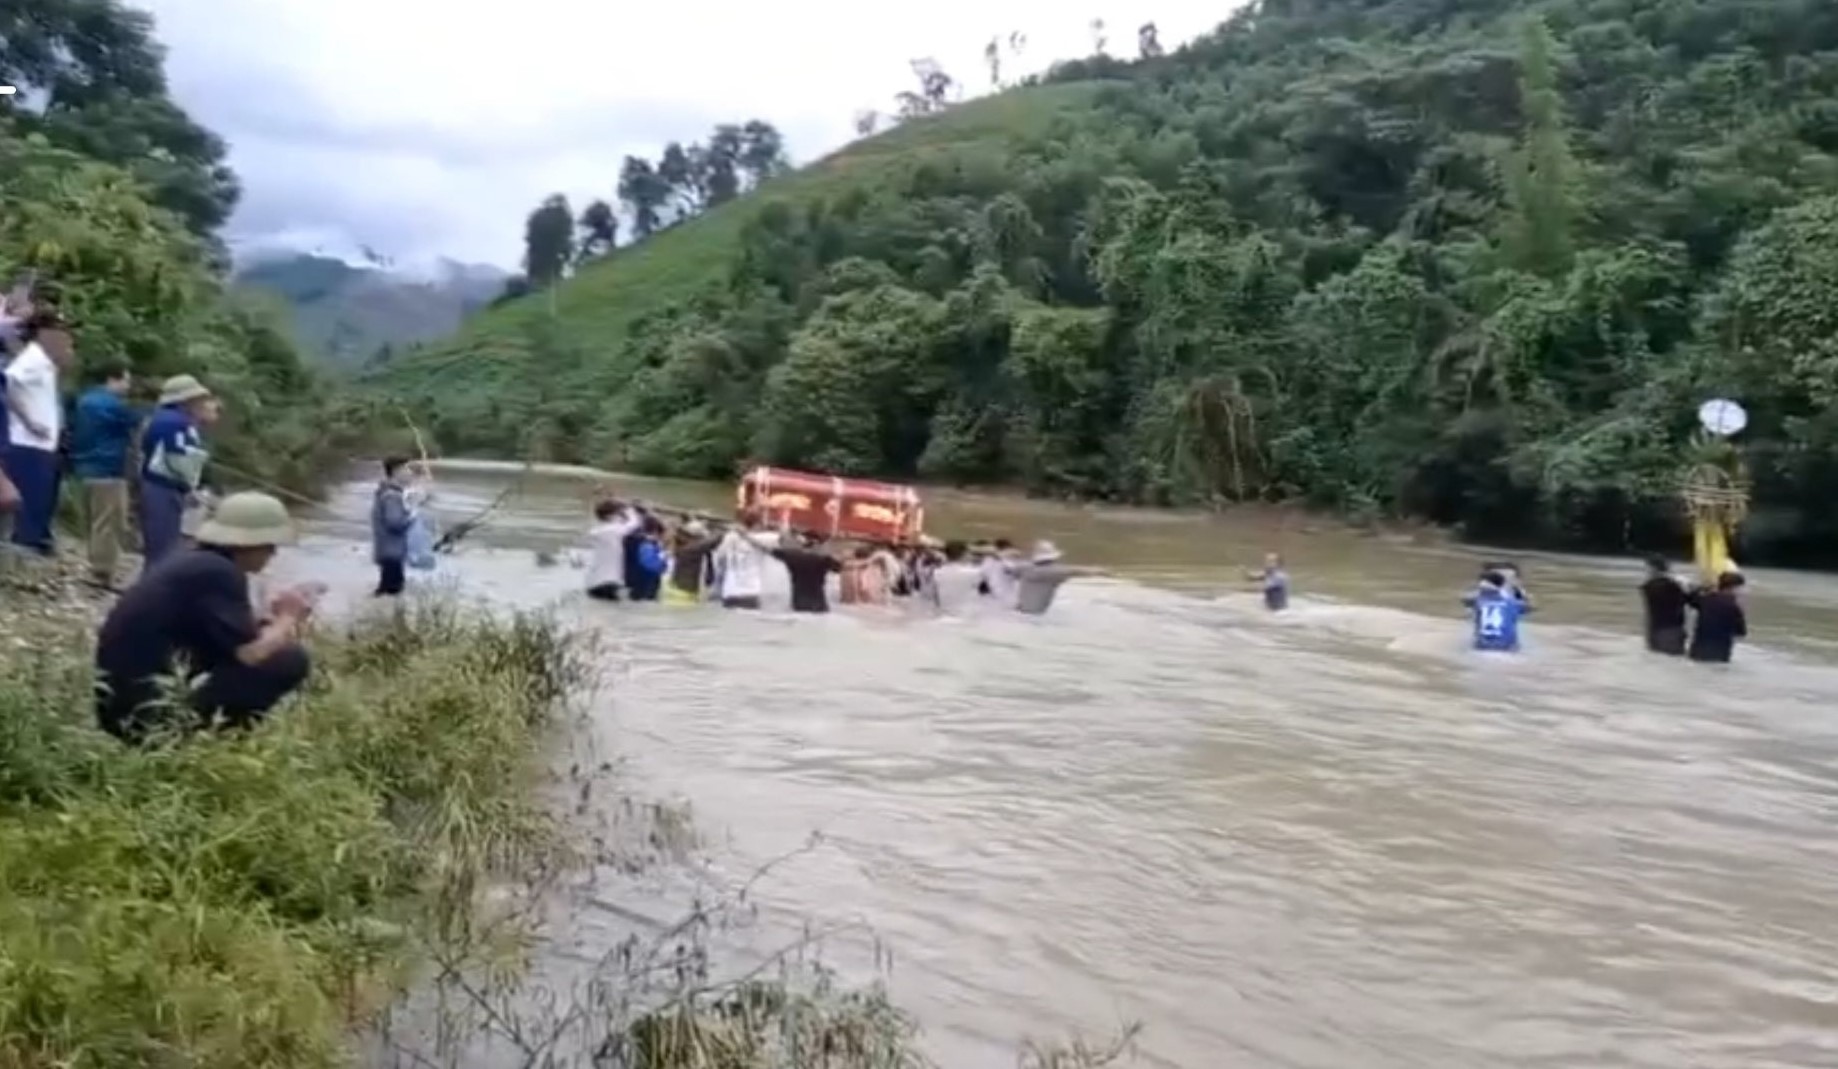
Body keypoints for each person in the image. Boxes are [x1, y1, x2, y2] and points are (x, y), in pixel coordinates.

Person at [93, 491, 318, 744]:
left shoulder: (193, 561)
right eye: (269, 546)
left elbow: (223, 635)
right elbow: (250, 654)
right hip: (148, 717)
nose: (273, 554)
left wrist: (268, 618)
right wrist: (289, 617)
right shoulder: (220, 573)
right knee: (289, 659)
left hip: (118, 710)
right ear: (248, 544)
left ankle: (195, 733)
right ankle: (200, 739)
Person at [3, 311, 74, 555]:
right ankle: (22, 541)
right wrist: (29, 421)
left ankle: (32, 539)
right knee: (30, 493)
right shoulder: (32, 358)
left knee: (41, 494)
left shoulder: (44, 360)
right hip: (27, 440)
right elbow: (9, 384)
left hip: (42, 443)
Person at [69, 360, 143, 587]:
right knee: (110, 522)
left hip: (83, 467)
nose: (128, 386)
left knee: (94, 520)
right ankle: (102, 572)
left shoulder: (83, 400)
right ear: (113, 379)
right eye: (126, 380)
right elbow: (137, 421)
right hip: (108, 468)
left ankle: (95, 563)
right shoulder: (113, 406)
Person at [139, 374, 218, 566]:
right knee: (163, 547)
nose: (202, 402)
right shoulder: (174, 422)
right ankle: (155, 591)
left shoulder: (168, 419)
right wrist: (193, 485)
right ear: (187, 399)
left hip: (162, 486)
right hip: (162, 488)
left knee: (163, 544)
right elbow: (178, 459)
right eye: (199, 398)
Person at [1009, 540, 1104, 616]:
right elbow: (1078, 571)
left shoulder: (1024, 568)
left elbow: (1008, 569)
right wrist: (1100, 571)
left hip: (1017, 612)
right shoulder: (1054, 572)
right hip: (1034, 617)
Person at [710, 509, 778, 610]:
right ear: (759, 523)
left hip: (731, 592)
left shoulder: (730, 537)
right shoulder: (769, 538)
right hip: (754, 592)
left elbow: (720, 560)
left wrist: (716, 587)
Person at [371, 456, 415, 597]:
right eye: (407, 468)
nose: (411, 473)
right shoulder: (392, 496)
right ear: (397, 471)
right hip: (393, 553)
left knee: (385, 594)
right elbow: (395, 523)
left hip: (387, 551)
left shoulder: (385, 492)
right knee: (392, 594)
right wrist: (413, 515)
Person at [584, 499, 641, 601]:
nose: (621, 517)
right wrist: (630, 510)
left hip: (593, 582)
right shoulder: (613, 530)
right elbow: (634, 523)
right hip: (608, 582)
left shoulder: (597, 531)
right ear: (610, 516)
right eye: (619, 514)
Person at [1686, 570, 1748, 664]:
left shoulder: (1705, 600)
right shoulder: (1734, 607)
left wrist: (1703, 588)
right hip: (1719, 654)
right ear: (1734, 587)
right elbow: (1741, 633)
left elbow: (1689, 598)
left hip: (1697, 651)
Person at [773, 532, 842, 613]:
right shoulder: (824, 560)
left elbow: (770, 551)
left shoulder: (793, 557)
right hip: (819, 607)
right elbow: (839, 568)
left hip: (799, 606)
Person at [1463, 570, 1529, 653]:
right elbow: (1528, 607)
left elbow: (1466, 600)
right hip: (1507, 648)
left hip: (1481, 647)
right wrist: (1520, 590)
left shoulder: (1476, 601)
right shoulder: (1513, 602)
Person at [1639, 554, 1689, 656]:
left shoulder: (1650, 587)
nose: (1646, 572)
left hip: (1658, 633)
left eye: (1647, 568)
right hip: (1673, 632)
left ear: (1653, 569)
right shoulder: (1675, 586)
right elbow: (1692, 599)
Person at [665, 520, 721, 604]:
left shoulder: (682, 546)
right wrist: (715, 528)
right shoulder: (691, 549)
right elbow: (715, 539)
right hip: (685, 594)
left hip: (677, 590)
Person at [929, 539, 984, 614]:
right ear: (964, 554)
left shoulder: (936, 572)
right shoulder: (974, 573)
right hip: (969, 616)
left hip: (946, 614)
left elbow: (936, 600)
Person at [625, 515, 668, 602]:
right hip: (648, 581)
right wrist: (664, 563)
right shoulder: (651, 543)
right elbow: (652, 565)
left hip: (631, 579)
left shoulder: (630, 537)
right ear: (655, 530)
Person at [979, 538, 1021, 603]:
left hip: (993, 592)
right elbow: (1016, 573)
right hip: (1004, 594)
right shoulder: (1008, 561)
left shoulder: (988, 560)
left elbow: (984, 574)